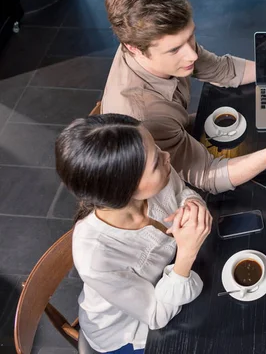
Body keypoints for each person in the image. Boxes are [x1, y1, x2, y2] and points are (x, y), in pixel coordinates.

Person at [101, 0, 266, 194]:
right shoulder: (146, 118)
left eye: (190, 37)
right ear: (134, 49)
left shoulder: (150, 41)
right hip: (166, 192)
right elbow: (207, 175)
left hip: (180, 135)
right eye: (175, 49)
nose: (192, 56)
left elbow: (221, 70)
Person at [56, 114, 211, 353]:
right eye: (156, 162)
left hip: (168, 283)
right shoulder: (95, 256)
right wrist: (187, 254)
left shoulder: (160, 177)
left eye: (157, 148)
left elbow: (183, 195)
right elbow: (157, 315)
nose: (166, 156)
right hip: (129, 330)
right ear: (124, 188)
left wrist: (193, 207)